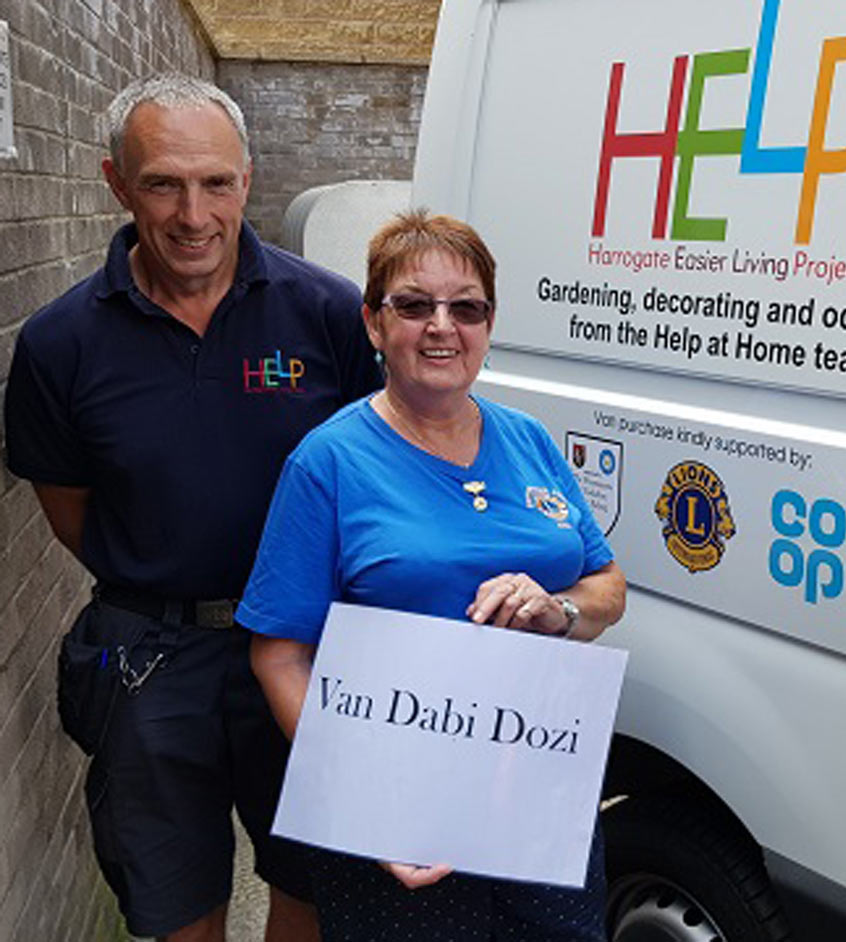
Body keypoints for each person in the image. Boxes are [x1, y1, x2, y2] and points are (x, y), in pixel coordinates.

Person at [3, 74, 383, 941]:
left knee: (314, 886)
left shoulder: (326, 314)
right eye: (162, 183)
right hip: (150, 663)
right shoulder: (61, 345)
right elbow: (71, 514)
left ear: (248, 179)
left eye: (216, 182)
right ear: (116, 183)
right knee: (174, 907)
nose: (193, 213)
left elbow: (380, 474)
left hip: (303, 645)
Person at [237, 210, 627, 941]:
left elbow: (608, 587)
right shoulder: (328, 463)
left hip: (539, 800)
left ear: (488, 324)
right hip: (402, 819)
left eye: (467, 307)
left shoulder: (529, 440)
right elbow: (279, 653)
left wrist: (559, 610)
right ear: (374, 324)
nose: (442, 326)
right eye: (414, 305)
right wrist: (363, 800)